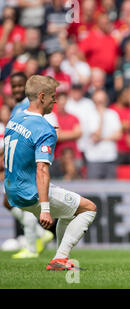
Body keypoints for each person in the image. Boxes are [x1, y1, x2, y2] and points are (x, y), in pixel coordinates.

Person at [3, 75, 97, 270]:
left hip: (11, 190)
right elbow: (42, 169)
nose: (55, 100)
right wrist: (45, 209)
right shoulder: (45, 129)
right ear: (42, 96)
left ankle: (60, 258)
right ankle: (60, 259)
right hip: (31, 192)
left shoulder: (15, 118)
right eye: (53, 96)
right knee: (89, 208)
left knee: (69, 212)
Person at [2, 72, 54, 259]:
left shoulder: (32, 107)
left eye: (19, 86)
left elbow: (49, 130)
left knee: (23, 201)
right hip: (18, 160)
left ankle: (32, 246)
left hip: (30, 162)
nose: (16, 89)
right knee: (10, 201)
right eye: (13, 86)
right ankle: (39, 236)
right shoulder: (18, 107)